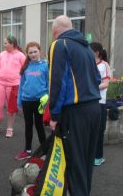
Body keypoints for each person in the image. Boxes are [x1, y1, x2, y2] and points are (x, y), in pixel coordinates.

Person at [48, 15, 101, 196]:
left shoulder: (59, 44)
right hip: (95, 109)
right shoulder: (86, 48)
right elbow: (97, 79)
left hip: (76, 111)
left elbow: (56, 82)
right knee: (86, 162)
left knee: (75, 163)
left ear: (54, 31)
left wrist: (54, 115)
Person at [0, 35, 26, 138]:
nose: (4, 45)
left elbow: (25, 71)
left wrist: (22, 85)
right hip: (1, 83)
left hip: (14, 85)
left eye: (5, 43)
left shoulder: (21, 55)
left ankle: (10, 128)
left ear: (12, 44)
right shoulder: (2, 54)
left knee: (11, 108)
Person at [15, 42, 48, 160]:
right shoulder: (26, 67)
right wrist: (19, 101)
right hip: (26, 100)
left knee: (39, 125)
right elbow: (21, 86)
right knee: (28, 125)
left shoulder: (45, 66)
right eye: (30, 52)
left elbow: (49, 85)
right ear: (27, 54)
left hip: (40, 102)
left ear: (40, 51)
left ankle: (45, 150)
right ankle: (28, 150)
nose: (33, 54)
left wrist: (47, 99)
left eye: (35, 51)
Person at [90, 42, 110, 166]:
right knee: (89, 131)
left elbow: (106, 84)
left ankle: (98, 157)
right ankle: (89, 156)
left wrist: (91, 88)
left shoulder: (104, 65)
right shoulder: (87, 63)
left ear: (96, 52)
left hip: (100, 103)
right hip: (88, 103)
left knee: (99, 131)